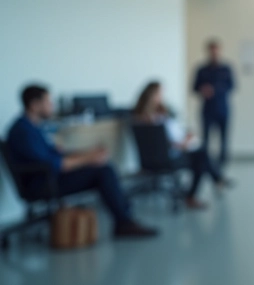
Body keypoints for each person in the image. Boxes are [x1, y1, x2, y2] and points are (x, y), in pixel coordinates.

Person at [6, 84, 158, 238]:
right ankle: (124, 222)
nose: (52, 106)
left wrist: (88, 153)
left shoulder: (33, 127)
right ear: (34, 105)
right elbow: (55, 164)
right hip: (42, 183)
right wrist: (88, 158)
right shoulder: (23, 131)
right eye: (48, 102)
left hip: (49, 177)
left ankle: (125, 218)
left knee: (102, 166)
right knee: (103, 171)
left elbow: (57, 154)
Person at [133, 81, 231, 209]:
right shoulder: (148, 119)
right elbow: (162, 142)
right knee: (201, 157)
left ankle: (215, 180)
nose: (162, 97)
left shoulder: (149, 114)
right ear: (152, 95)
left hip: (163, 153)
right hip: (165, 157)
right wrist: (183, 144)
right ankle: (206, 186)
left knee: (201, 153)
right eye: (159, 94)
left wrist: (184, 138)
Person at [193, 39, 234, 168]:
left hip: (223, 108)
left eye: (216, 51)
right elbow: (194, 87)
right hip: (207, 109)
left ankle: (222, 164)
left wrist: (215, 90)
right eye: (212, 51)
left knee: (224, 139)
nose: (214, 53)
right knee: (205, 139)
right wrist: (203, 90)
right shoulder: (201, 69)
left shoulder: (226, 69)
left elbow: (232, 86)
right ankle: (206, 163)